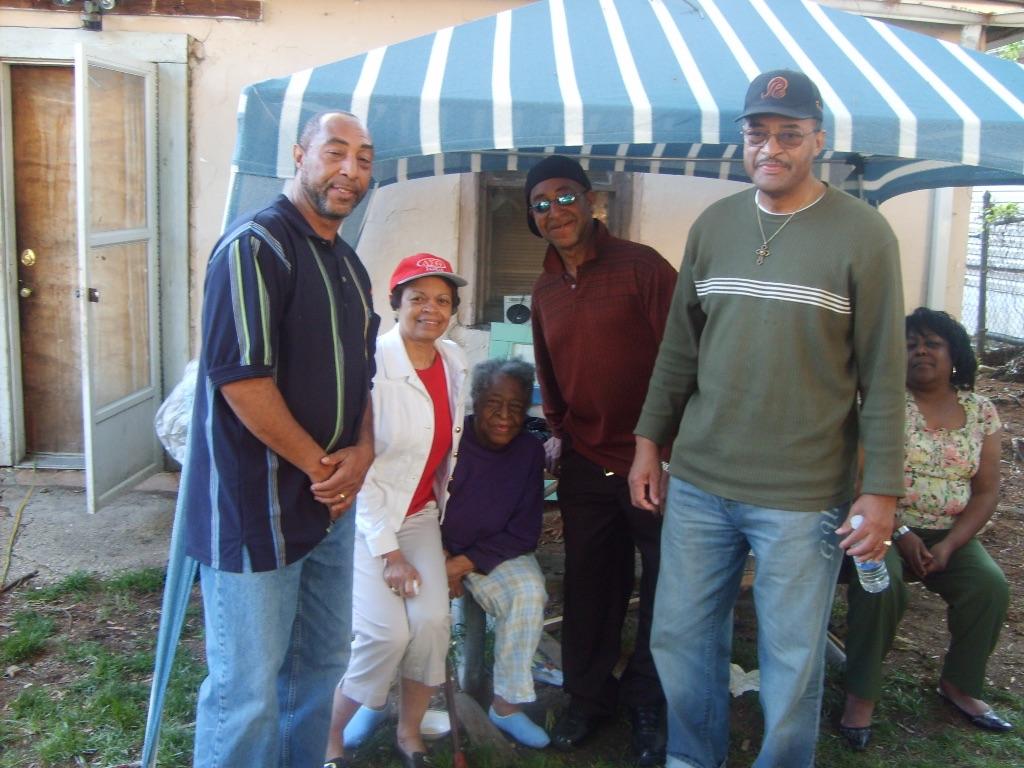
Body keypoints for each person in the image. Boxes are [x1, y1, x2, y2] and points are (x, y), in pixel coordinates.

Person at [628, 69, 906, 768]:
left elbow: (884, 371)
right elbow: (678, 351)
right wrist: (646, 444)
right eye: (759, 132)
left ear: (818, 140)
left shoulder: (864, 235)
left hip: (802, 493)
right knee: (679, 637)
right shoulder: (714, 225)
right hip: (698, 480)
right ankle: (694, 757)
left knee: (793, 662)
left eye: (789, 133)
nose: (771, 147)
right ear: (742, 140)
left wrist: (882, 493)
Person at [181, 111, 379, 767]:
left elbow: (363, 374)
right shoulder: (254, 247)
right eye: (335, 152)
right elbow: (243, 382)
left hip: (328, 511)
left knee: (318, 669)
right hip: (255, 508)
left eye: (364, 158)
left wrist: (365, 449)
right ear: (299, 154)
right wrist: (325, 467)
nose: (350, 170)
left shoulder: (350, 266)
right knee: (247, 694)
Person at [526, 154, 677, 763]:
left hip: (655, 462)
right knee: (591, 587)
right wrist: (561, 432)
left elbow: (682, 360)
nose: (555, 211)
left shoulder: (642, 267)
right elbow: (549, 376)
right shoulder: (543, 291)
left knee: (667, 587)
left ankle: (647, 701)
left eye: (565, 197)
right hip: (588, 463)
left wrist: (665, 450)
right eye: (540, 204)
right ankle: (590, 699)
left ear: (593, 202)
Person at [840, 307, 1012, 750]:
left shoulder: (981, 411)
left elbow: (987, 491)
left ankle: (960, 685)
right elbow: (858, 480)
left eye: (932, 343)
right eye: (911, 343)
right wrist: (899, 532)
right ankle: (860, 695)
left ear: (953, 353)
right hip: (881, 524)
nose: (920, 350)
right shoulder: (880, 403)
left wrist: (953, 544)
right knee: (882, 587)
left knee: (988, 586)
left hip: (949, 532)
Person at [324, 254, 468, 768]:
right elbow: (356, 468)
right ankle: (331, 736)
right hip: (367, 521)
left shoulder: (454, 361)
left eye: (442, 300)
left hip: (422, 516)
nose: (431, 309)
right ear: (395, 305)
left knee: (430, 623)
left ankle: (409, 734)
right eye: (418, 298)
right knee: (386, 634)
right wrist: (389, 552)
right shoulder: (371, 363)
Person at [443, 358, 550, 749]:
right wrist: (441, 557)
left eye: (517, 408)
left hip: (490, 552)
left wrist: (462, 564)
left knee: (528, 592)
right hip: (432, 546)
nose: (505, 417)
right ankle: (374, 698)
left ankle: (505, 705)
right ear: (475, 401)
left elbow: (523, 532)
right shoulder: (449, 439)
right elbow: (419, 503)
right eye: (493, 404)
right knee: (403, 615)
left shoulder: (528, 453)